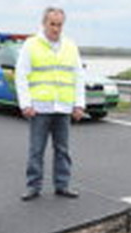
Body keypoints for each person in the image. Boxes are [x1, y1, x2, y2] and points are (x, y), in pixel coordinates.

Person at [16, 6, 85, 201]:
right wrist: (25, 104)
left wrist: (79, 104)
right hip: (39, 107)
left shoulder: (70, 46)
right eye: (52, 24)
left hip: (63, 107)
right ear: (44, 23)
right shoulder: (31, 44)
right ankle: (33, 187)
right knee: (36, 149)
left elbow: (78, 76)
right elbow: (21, 75)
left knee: (63, 149)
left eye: (59, 24)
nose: (56, 28)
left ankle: (62, 185)